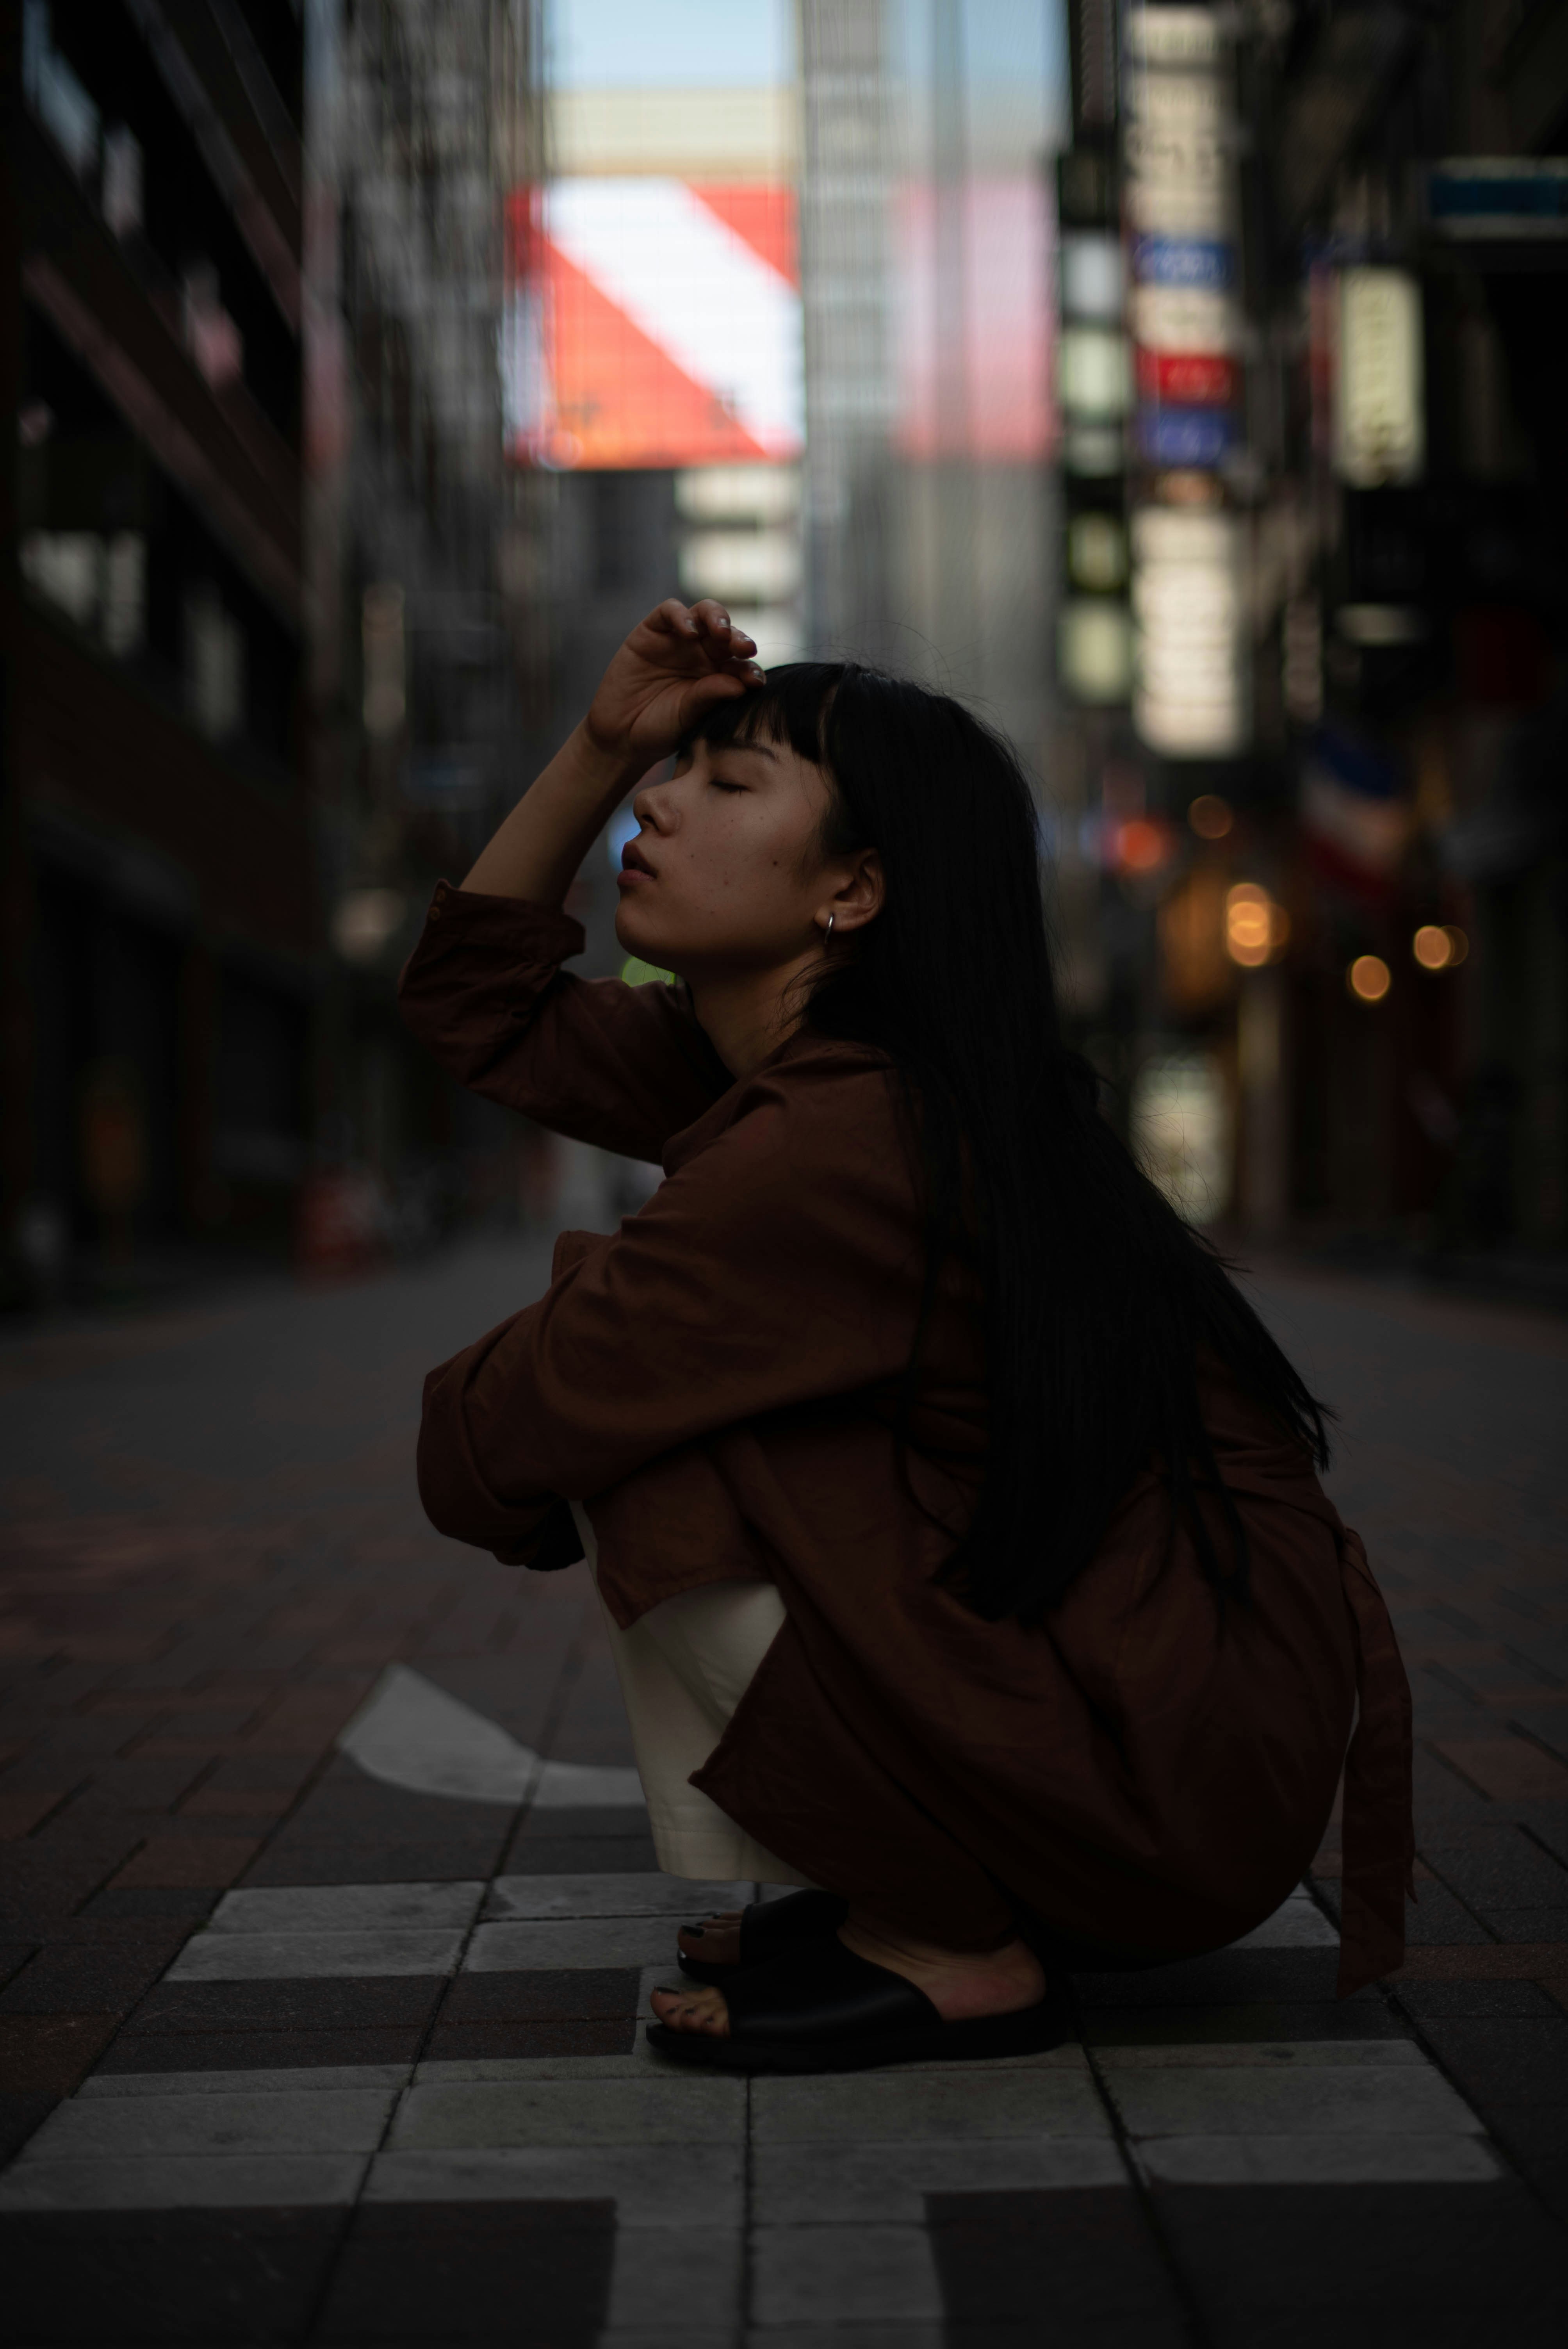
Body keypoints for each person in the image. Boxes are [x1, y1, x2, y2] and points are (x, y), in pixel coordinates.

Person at [400, 598, 1414, 2076]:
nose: (659, 802)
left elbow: (483, 1445)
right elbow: (474, 1007)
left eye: (725, 784)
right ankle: (922, 1878)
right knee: (680, 1401)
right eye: (664, 777)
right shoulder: (817, 1071)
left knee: (671, 1454)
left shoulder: (845, 1138)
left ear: (854, 893)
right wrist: (596, 745)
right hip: (1177, 1741)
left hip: (1167, 1780)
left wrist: (594, 1325)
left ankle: (952, 1940)